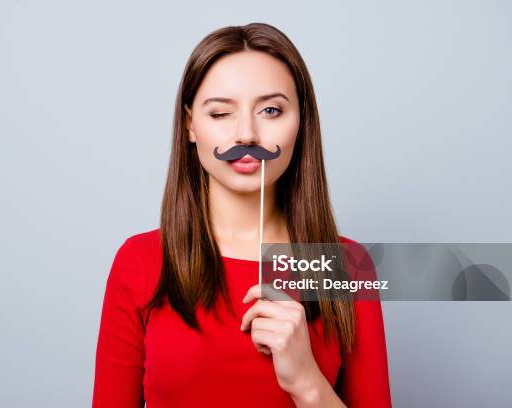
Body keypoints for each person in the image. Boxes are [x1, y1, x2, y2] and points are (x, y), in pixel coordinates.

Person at [92, 22, 391, 407]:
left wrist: (307, 382)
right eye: (220, 113)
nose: (247, 135)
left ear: (301, 122)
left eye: (270, 110)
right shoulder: (140, 261)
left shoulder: (346, 267)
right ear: (190, 125)